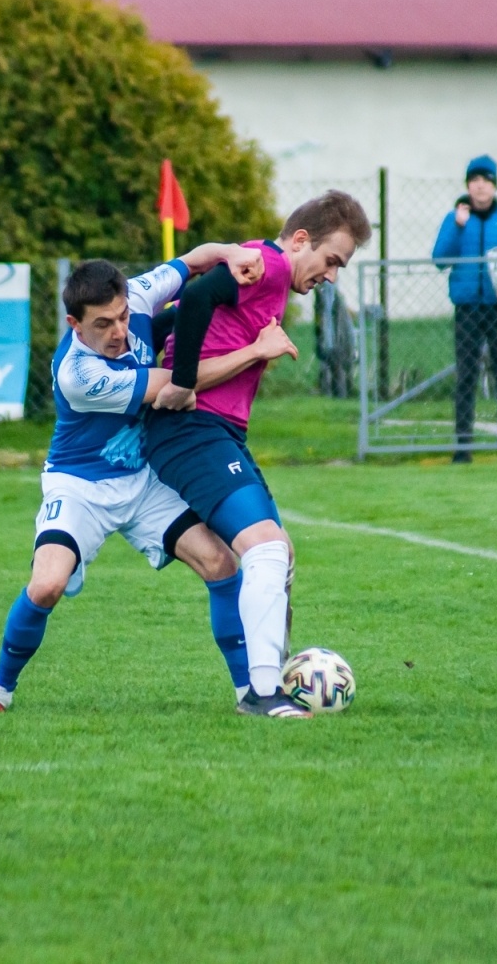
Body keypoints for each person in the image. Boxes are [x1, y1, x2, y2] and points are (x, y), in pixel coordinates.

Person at [0, 245, 293, 716]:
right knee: (48, 584)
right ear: (74, 324)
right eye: (103, 325)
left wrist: (233, 253)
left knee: (221, 564)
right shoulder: (78, 374)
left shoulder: (134, 296)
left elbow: (192, 262)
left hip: (144, 481)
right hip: (81, 487)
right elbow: (176, 384)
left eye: (122, 317)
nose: (119, 331)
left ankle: (249, 697)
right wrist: (256, 349)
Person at [146, 191, 372, 718]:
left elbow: (179, 314)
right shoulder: (268, 266)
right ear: (300, 242)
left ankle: (276, 673)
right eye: (331, 261)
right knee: (266, 551)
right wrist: (178, 384)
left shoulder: (270, 281)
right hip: (192, 429)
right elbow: (198, 299)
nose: (332, 276)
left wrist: (146, 341)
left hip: (220, 434)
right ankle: (261, 693)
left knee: (278, 555)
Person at [431, 155, 497, 463]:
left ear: (494, 185)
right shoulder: (456, 220)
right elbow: (440, 258)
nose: (480, 187)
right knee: (466, 376)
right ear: (467, 185)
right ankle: (463, 447)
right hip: (467, 308)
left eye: (486, 181)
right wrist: (458, 227)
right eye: (475, 181)